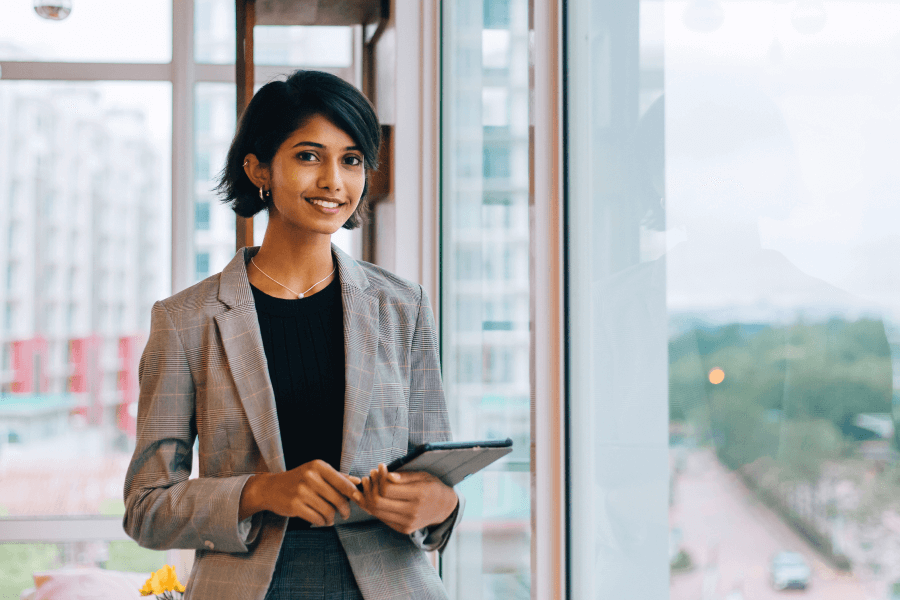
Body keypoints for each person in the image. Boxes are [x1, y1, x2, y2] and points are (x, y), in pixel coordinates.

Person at [123, 70, 462, 600]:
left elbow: (437, 472)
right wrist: (260, 491)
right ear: (258, 168)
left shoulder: (404, 307)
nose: (334, 181)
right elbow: (146, 509)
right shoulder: (186, 320)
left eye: (351, 159)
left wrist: (442, 504)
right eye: (309, 156)